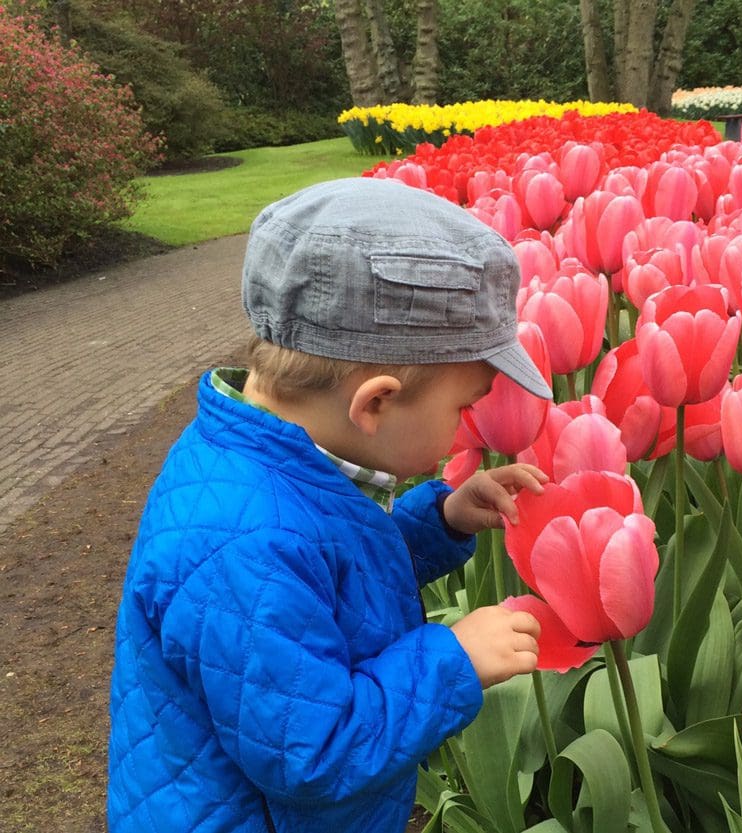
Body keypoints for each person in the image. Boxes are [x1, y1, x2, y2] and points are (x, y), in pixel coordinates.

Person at [107, 177, 553, 833]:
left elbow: (321, 579)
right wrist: (450, 661)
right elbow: (312, 754)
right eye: (463, 406)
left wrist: (439, 521)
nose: (466, 427)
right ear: (375, 402)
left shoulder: (275, 464)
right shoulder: (244, 541)